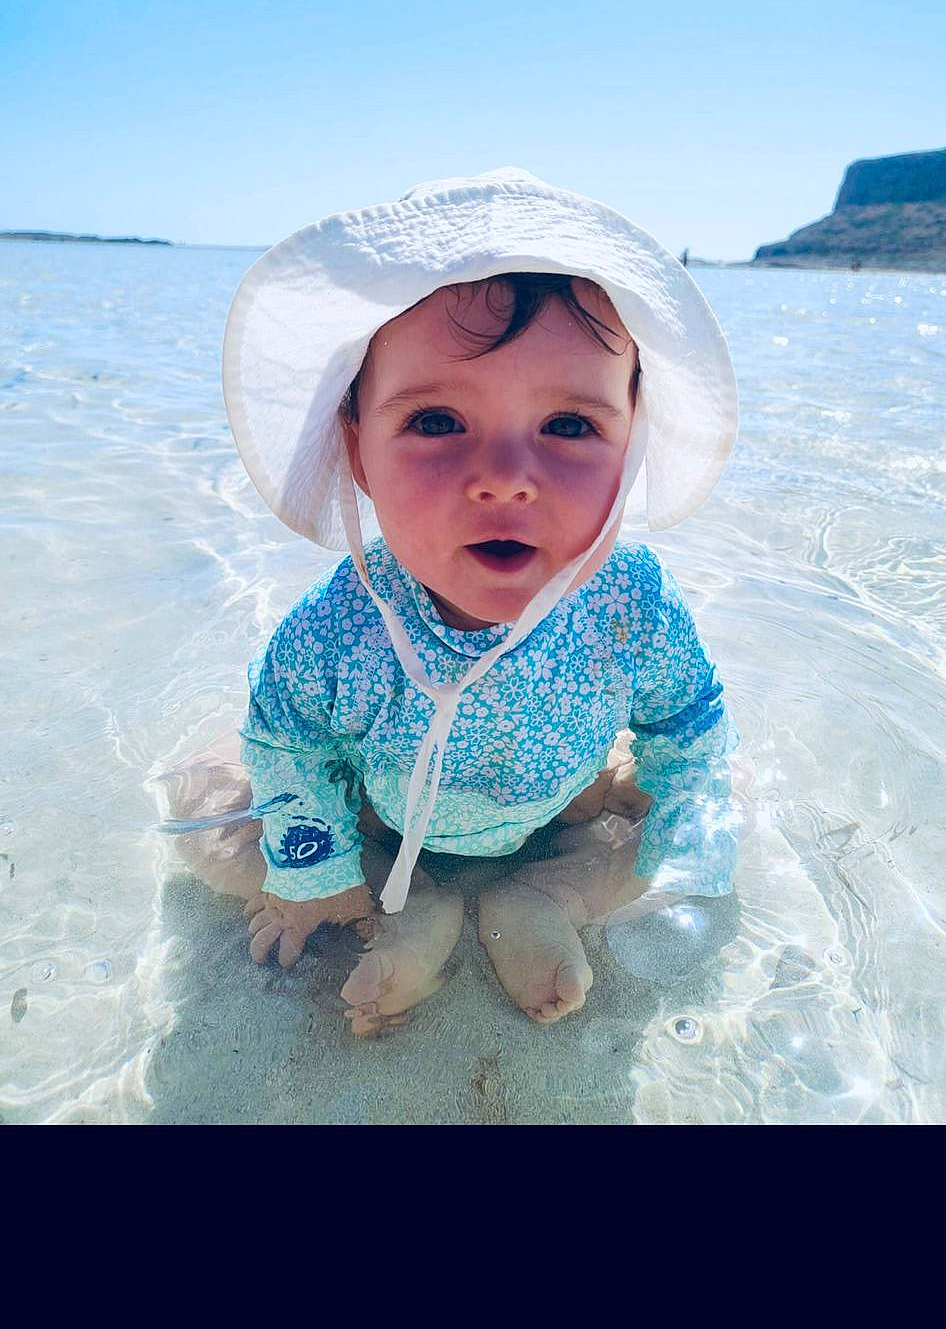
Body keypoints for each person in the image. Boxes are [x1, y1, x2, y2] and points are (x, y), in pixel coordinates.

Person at [159, 168, 743, 1035]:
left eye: (570, 426)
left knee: (692, 810)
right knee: (202, 801)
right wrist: (312, 874)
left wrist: (687, 843)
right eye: (437, 422)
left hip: (555, 807)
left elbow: (687, 723)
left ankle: (548, 894)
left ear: (631, 449)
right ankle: (401, 905)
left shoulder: (631, 604)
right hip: (373, 814)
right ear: (357, 450)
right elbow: (286, 737)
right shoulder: (339, 627)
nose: (505, 480)